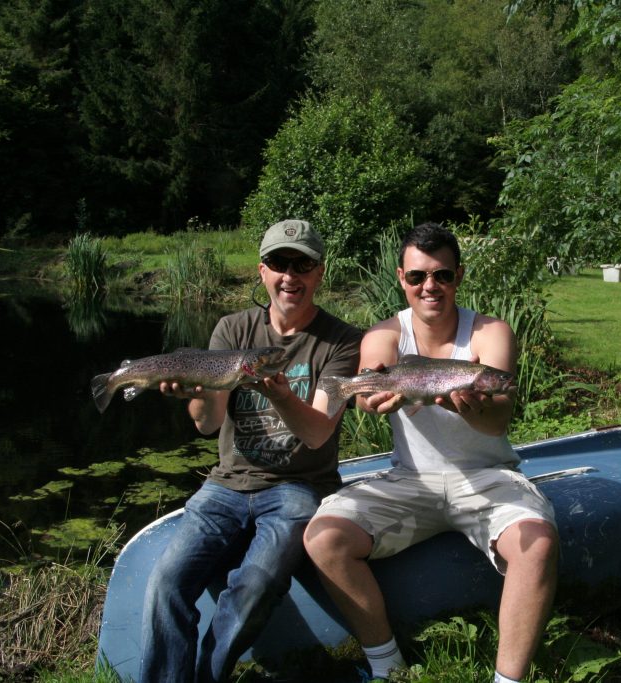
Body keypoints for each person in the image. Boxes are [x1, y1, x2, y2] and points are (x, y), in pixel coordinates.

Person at [303, 222, 559, 683]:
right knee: (323, 538)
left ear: (459, 276)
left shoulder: (490, 332)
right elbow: (366, 390)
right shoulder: (384, 334)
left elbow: (497, 419)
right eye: (418, 276)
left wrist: (468, 406)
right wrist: (367, 395)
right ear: (401, 278)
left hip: (487, 476)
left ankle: (508, 680)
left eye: (442, 275)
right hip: (411, 479)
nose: (430, 287)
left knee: (539, 545)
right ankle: (387, 667)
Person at [139, 219, 362, 683]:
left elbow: (318, 433)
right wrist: (195, 392)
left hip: (298, 488)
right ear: (262, 272)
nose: (290, 276)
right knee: (166, 582)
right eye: (280, 263)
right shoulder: (231, 328)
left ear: (320, 273)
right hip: (224, 486)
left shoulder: (342, 342)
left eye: (303, 264)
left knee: (256, 584)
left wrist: (279, 392)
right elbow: (207, 424)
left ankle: (209, 675)